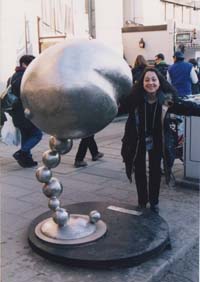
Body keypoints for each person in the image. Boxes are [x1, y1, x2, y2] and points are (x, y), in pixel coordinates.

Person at [120, 67, 200, 213]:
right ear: (142, 83)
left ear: (159, 82)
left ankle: (154, 201)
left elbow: (186, 108)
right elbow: (117, 107)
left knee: (155, 170)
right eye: (147, 80)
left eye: (154, 80)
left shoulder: (166, 100)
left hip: (158, 139)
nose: (151, 83)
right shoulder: (134, 99)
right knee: (139, 169)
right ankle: (142, 201)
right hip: (137, 139)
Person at [9, 55, 42, 168]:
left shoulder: (13, 76)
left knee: (26, 136)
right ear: (24, 64)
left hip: (17, 113)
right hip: (25, 112)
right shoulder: (24, 77)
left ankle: (27, 160)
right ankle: (22, 153)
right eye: (31, 63)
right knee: (37, 134)